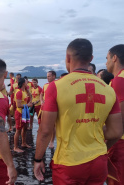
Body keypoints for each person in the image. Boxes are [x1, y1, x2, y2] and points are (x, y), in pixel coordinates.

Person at [34, 38, 123, 184]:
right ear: (91, 59)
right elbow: (116, 131)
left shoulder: (56, 87)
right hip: (98, 161)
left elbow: (45, 131)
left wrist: (38, 159)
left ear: (67, 58)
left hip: (69, 164)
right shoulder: (108, 89)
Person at [106, 44, 124, 185]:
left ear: (115, 58)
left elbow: (120, 120)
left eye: (107, 58)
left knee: (115, 179)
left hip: (119, 142)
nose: (106, 63)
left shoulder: (119, 80)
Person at [14, 78, 33, 153]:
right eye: (26, 82)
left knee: (25, 128)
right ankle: (15, 147)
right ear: (23, 83)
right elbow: (18, 105)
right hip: (20, 113)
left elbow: (30, 97)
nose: (27, 82)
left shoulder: (24, 91)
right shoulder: (19, 92)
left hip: (25, 112)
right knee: (18, 130)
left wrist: (28, 90)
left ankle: (23, 143)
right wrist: (28, 105)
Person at [39, 70, 56, 148]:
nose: (47, 78)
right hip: (45, 107)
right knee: (44, 124)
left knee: (53, 126)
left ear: (54, 76)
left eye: (49, 76)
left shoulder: (57, 84)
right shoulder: (45, 85)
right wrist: (42, 101)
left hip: (54, 108)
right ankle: (44, 141)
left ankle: (52, 142)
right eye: (47, 76)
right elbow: (41, 94)